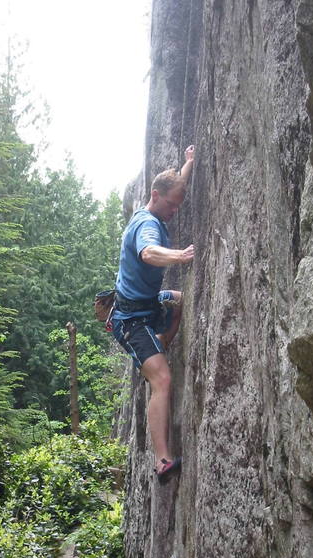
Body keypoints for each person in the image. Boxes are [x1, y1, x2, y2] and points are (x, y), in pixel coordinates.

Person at [112, 145, 195, 482]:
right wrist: (178, 256)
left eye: (179, 204)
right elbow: (147, 253)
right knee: (162, 380)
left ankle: (159, 343)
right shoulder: (146, 224)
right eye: (171, 204)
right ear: (154, 195)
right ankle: (162, 461)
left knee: (182, 299)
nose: (175, 210)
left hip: (147, 303)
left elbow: (172, 185)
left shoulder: (158, 206)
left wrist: (187, 164)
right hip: (131, 321)